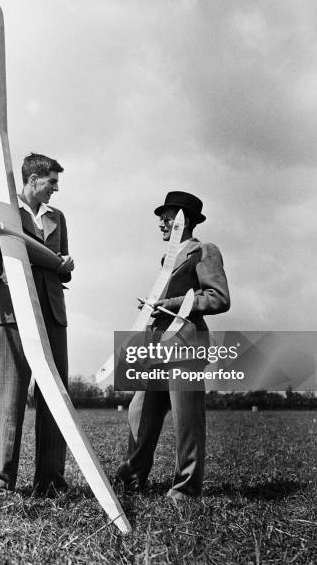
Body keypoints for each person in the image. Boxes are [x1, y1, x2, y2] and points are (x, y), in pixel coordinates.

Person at [0, 153, 74, 497]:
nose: (56, 189)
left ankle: (51, 481)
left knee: (54, 396)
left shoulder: (59, 218)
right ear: (32, 179)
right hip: (13, 313)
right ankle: (1, 482)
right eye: (51, 182)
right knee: (11, 397)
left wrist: (67, 264)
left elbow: (63, 267)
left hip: (52, 315)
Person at [116, 191, 230, 502]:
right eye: (161, 219)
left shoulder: (204, 250)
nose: (161, 224)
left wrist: (175, 303)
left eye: (167, 218)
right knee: (139, 412)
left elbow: (219, 298)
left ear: (185, 220)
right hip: (157, 347)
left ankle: (185, 489)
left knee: (187, 421)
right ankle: (131, 479)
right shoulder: (167, 259)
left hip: (186, 346)